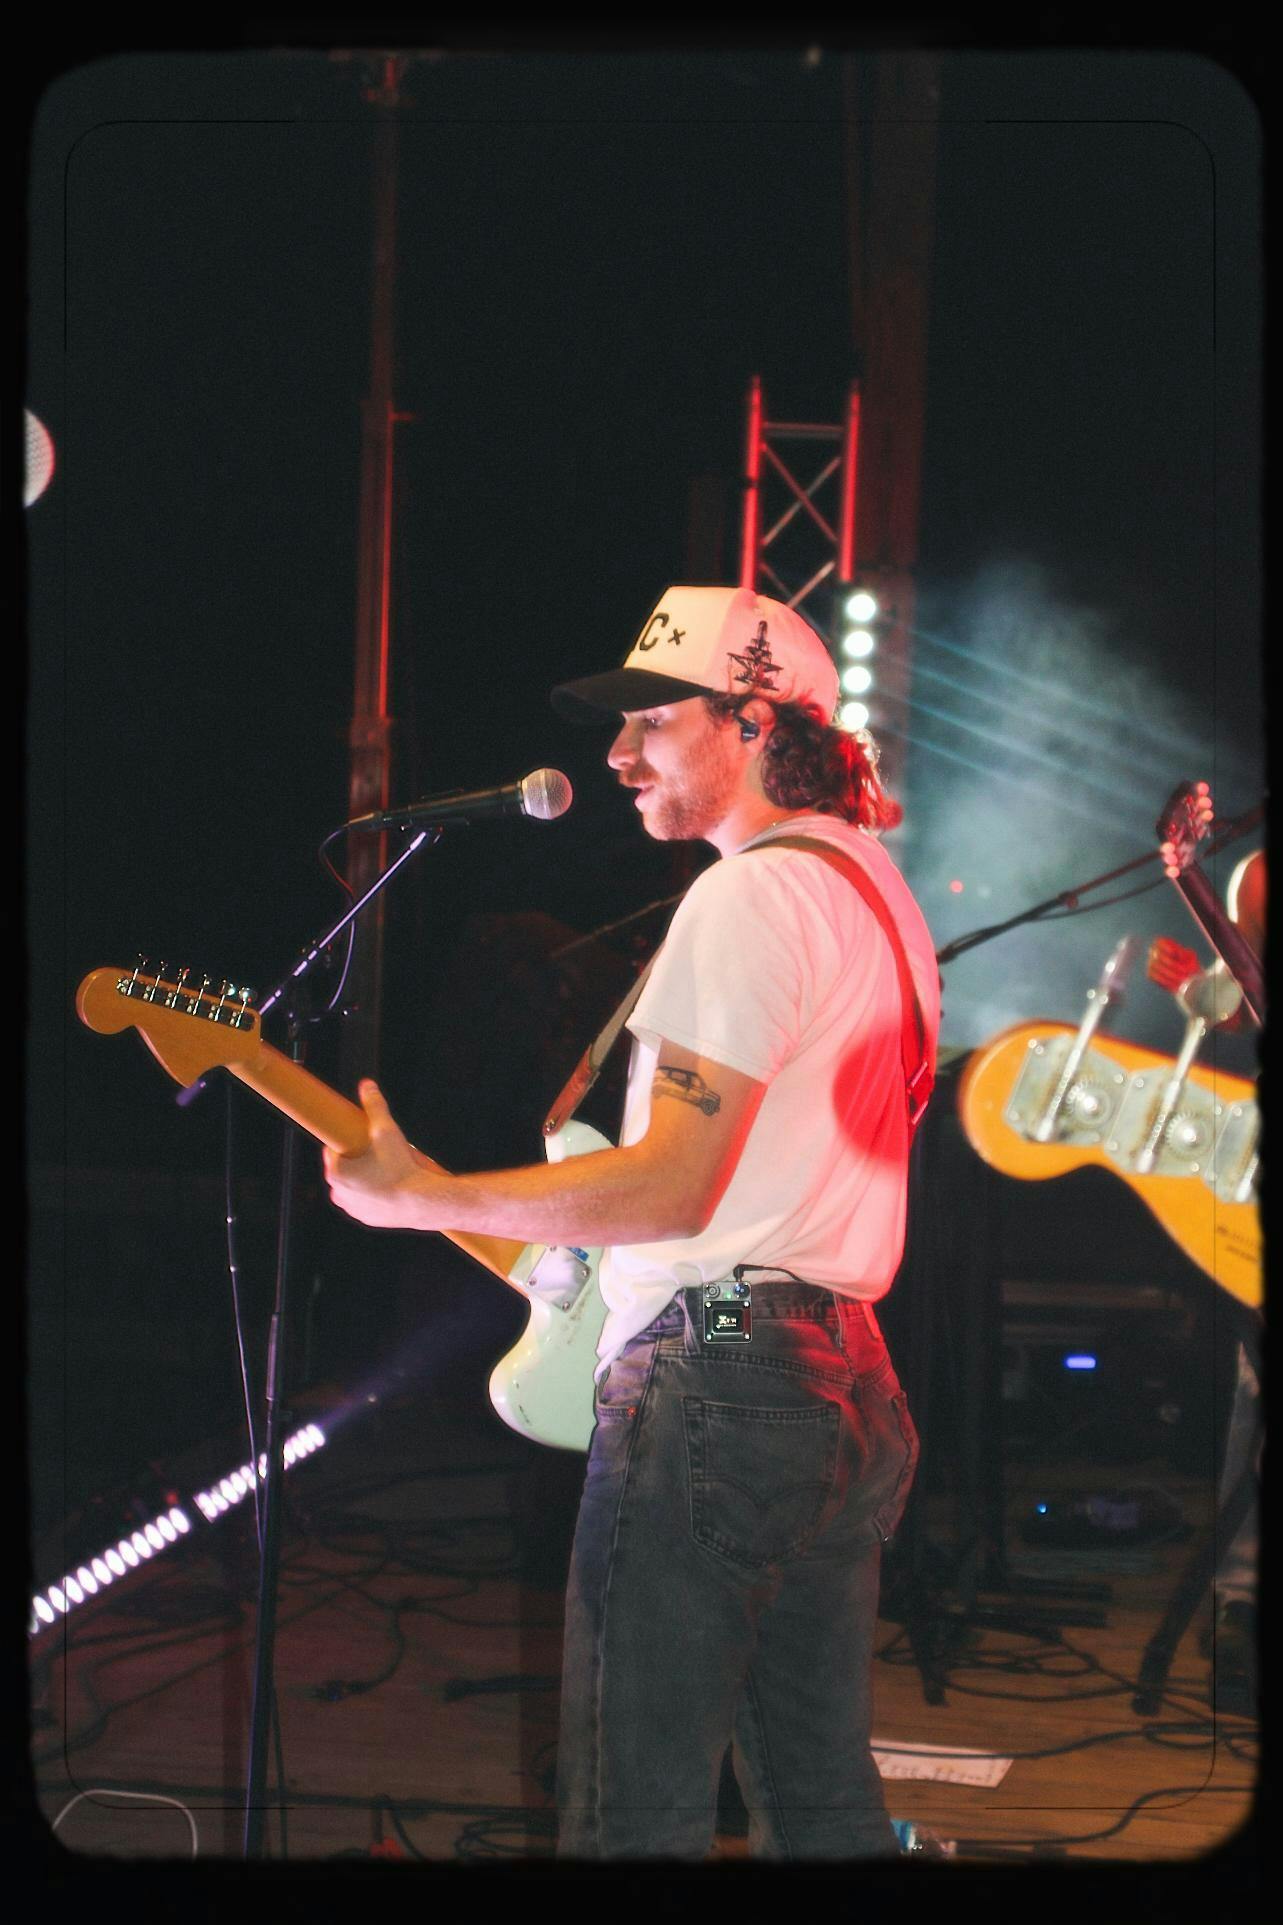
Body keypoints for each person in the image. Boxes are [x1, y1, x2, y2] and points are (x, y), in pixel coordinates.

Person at [324, 584, 942, 1859]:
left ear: (753, 722)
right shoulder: (875, 893)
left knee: (629, 1812)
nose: (615, 756)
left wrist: (423, 1197)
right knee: (821, 1806)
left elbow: (673, 1188)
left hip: (720, 1374)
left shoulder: (748, 897)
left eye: (651, 722)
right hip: (838, 1374)